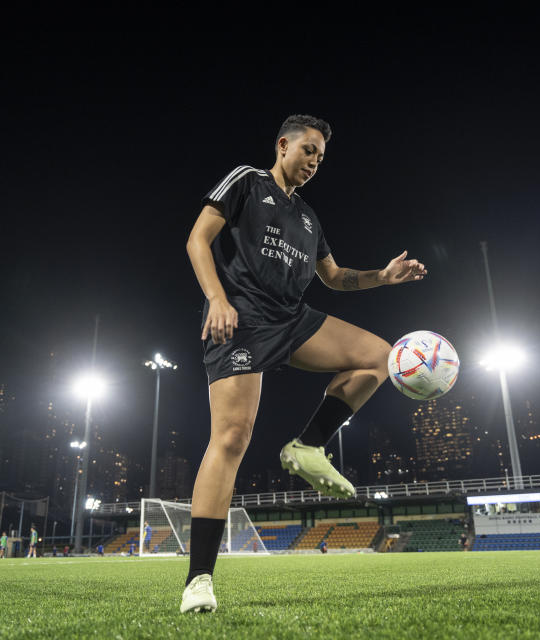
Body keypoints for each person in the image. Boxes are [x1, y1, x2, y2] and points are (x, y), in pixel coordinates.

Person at [179, 114, 427, 614]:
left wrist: (382, 276)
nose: (314, 161)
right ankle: (199, 579)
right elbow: (197, 239)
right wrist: (218, 299)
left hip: (293, 319)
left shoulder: (310, 220)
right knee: (231, 438)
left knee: (382, 358)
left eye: (321, 156)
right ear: (283, 145)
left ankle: (308, 445)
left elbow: (333, 279)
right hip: (242, 317)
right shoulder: (247, 181)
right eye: (308, 150)